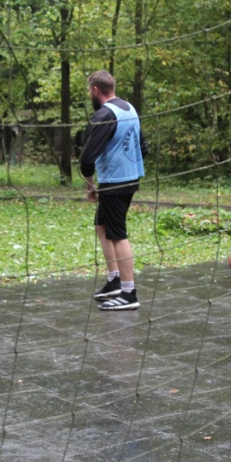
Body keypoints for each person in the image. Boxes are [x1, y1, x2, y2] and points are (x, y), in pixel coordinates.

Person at [80, 70, 146, 311]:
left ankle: (129, 293)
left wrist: (90, 185)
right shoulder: (130, 108)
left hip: (115, 182)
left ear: (95, 90)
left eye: (90, 90)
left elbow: (87, 157)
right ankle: (114, 280)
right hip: (128, 178)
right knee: (102, 226)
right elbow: (143, 146)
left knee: (118, 234)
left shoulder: (104, 115)